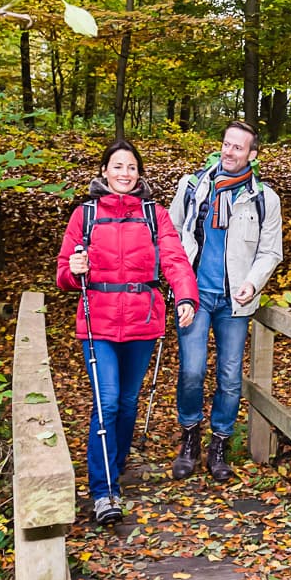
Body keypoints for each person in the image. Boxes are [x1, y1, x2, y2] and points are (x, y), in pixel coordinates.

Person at [57, 139, 199, 524]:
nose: (124, 173)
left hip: (142, 321)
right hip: (97, 323)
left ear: (139, 173)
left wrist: (186, 297)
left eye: (131, 167)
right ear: (104, 171)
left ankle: (114, 463)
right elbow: (63, 275)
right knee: (108, 402)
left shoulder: (154, 215)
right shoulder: (84, 215)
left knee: (128, 401)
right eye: (117, 166)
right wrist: (75, 270)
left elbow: (174, 258)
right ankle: (104, 491)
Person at [168, 120, 283, 482]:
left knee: (230, 376)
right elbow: (169, 237)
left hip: (235, 302)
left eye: (238, 147)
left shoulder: (264, 198)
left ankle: (219, 446)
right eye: (226, 144)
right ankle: (190, 438)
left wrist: (252, 282)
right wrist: (177, 282)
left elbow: (270, 251)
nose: (229, 152)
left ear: (252, 154)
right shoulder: (192, 187)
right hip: (194, 295)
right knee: (192, 370)